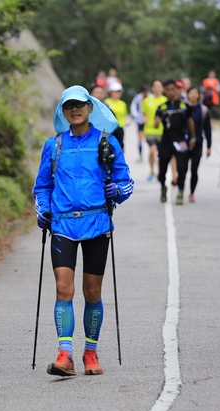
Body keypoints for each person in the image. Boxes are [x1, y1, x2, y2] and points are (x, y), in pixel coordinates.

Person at [33, 85, 134, 377]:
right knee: (64, 288)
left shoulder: (107, 143)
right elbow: (42, 186)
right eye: (68, 106)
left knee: (92, 292)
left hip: (97, 223)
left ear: (90, 107)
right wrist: (43, 209)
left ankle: (91, 352)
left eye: (79, 105)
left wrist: (119, 190)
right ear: (63, 112)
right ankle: (65, 355)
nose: (74, 110)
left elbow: (125, 181)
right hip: (63, 224)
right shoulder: (54, 145)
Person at [155, 79, 195, 204]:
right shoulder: (161, 108)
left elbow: (190, 122)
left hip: (180, 140)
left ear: (177, 90)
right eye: (168, 90)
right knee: (162, 169)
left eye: (173, 89)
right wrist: (156, 122)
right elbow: (156, 123)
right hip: (166, 140)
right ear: (164, 91)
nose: (171, 92)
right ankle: (163, 187)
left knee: (182, 167)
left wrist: (193, 137)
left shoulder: (184, 106)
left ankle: (180, 191)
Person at [179, 86, 212, 202]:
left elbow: (207, 129)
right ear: (187, 94)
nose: (193, 95)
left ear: (199, 95)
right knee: (182, 168)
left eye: (195, 93)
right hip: (183, 142)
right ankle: (181, 190)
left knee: (194, 169)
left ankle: (192, 192)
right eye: (191, 92)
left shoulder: (203, 110)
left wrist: (209, 146)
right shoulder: (182, 108)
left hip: (198, 142)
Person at [142, 79, 167, 181]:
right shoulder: (147, 100)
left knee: (161, 154)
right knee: (152, 150)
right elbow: (143, 114)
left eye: (159, 86)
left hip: (162, 131)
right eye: (155, 86)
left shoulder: (166, 100)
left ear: (162, 88)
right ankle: (152, 170)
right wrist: (144, 119)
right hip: (149, 130)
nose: (157, 88)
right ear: (152, 88)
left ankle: (160, 172)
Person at [90, 85, 125, 152]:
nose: (99, 95)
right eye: (96, 92)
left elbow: (115, 126)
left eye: (101, 93)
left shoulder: (108, 109)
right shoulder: (85, 109)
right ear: (91, 94)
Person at [105, 82, 128, 152]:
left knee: (120, 147)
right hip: (109, 129)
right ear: (111, 92)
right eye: (116, 92)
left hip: (119, 128)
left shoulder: (122, 104)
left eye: (119, 92)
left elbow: (124, 115)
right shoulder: (106, 102)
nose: (118, 94)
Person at [130, 84, 149, 162]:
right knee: (140, 138)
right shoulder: (138, 98)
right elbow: (133, 108)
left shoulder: (151, 97)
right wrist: (138, 116)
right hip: (140, 120)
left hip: (149, 121)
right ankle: (140, 155)